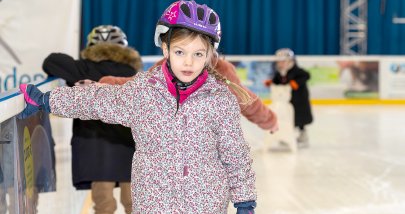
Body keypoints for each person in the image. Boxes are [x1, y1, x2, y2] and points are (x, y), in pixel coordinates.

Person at [19, 0, 257, 214]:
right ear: (165, 49)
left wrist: (245, 202)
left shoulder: (220, 98)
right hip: (158, 212)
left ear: (209, 56)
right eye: (180, 52)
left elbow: (234, 153)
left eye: (198, 54)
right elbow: (97, 101)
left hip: (207, 213)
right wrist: (46, 100)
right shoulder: (143, 92)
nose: (188, 62)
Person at [42, 25, 143, 214]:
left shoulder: (83, 68)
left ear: (92, 47)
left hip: (95, 146)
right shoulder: (132, 73)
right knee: (134, 207)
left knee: (104, 207)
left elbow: (51, 61)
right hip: (129, 146)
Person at [99, 56, 279, 133]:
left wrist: (269, 121)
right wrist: (107, 84)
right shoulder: (168, 65)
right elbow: (139, 84)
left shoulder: (221, 69)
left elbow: (246, 101)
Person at [264, 48, 313, 145]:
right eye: (279, 62)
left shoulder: (297, 71)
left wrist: (296, 83)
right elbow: (277, 80)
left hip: (299, 100)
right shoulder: (280, 72)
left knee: (300, 119)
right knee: (288, 119)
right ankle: (287, 136)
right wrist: (271, 82)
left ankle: (303, 134)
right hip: (287, 101)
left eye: (283, 61)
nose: (281, 64)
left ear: (290, 61)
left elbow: (306, 75)